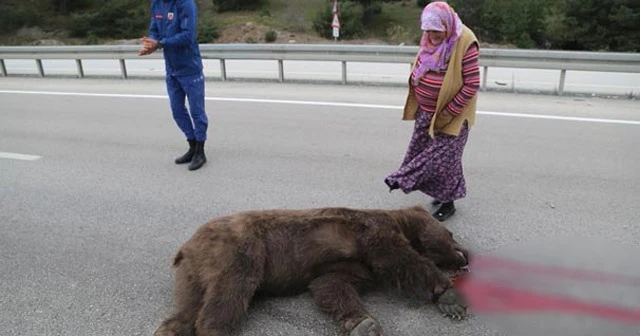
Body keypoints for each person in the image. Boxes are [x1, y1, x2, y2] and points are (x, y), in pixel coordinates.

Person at [384, 1, 480, 222]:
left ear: (446, 25)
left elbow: (471, 84)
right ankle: (443, 194)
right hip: (426, 112)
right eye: (427, 30)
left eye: (436, 31)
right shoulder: (429, 37)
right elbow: (422, 65)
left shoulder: (465, 41)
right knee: (429, 154)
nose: (431, 35)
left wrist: (448, 112)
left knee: (440, 158)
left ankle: (404, 180)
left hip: (453, 116)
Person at [138, 0, 208, 171]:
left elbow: (188, 35)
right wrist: (151, 44)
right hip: (171, 69)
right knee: (177, 110)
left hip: (190, 68)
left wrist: (160, 44)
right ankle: (192, 146)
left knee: (197, 112)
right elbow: (154, 29)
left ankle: (200, 151)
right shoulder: (157, 3)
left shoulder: (186, 4)